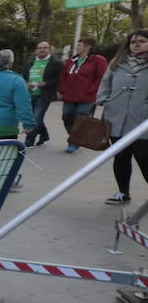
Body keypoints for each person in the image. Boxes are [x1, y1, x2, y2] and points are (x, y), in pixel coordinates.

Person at [97, 30, 148, 205]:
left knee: (144, 157)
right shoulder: (118, 62)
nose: (136, 44)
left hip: (143, 121)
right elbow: (106, 82)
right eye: (133, 41)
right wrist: (104, 99)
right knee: (120, 156)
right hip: (117, 118)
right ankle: (123, 193)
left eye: (142, 41)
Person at [60, 37, 108, 153]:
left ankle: (74, 142)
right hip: (69, 95)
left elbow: (101, 77)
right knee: (67, 117)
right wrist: (62, 89)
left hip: (87, 96)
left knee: (80, 118)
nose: (77, 47)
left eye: (79, 45)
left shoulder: (98, 60)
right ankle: (75, 137)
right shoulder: (71, 60)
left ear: (87, 47)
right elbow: (63, 76)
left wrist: (92, 90)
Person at [21, 41, 62, 148]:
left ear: (50, 49)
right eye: (39, 48)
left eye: (45, 47)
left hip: (44, 94)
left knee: (36, 117)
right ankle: (44, 135)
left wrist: (45, 83)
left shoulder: (56, 63)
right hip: (30, 94)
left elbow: (60, 79)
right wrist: (26, 84)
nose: (42, 50)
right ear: (36, 50)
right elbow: (24, 77)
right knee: (35, 117)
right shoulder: (29, 63)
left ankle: (29, 141)